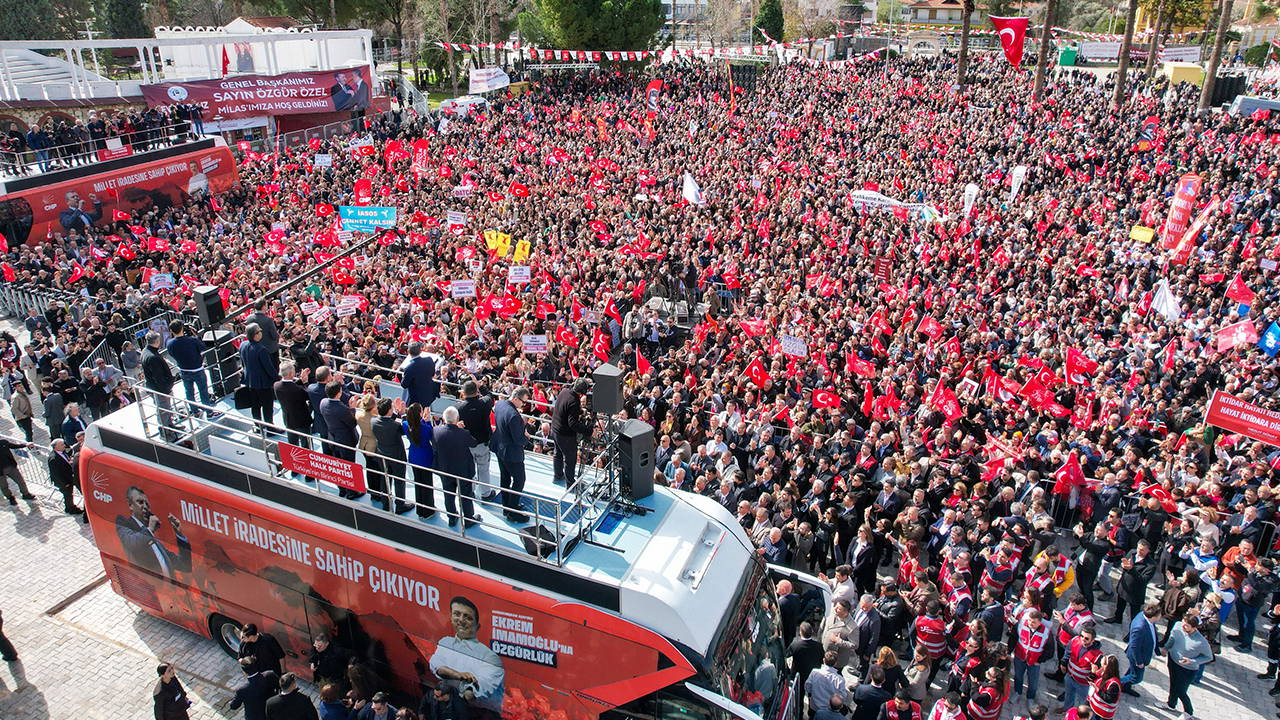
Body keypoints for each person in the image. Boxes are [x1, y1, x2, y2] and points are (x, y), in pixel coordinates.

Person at [428, 596, 504, 713]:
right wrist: (458, 675)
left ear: (477, 626)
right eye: (457, 614)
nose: (461, 620)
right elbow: (436, 665)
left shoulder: (490, 657)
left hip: (477, 713)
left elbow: (481, 688)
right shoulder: (445, 642)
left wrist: (467, 692)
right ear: (451, 618)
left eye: (468, 618)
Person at [114, 484, 192, 578]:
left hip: (169, 589)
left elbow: (185, 566)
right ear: (130, 505)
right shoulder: (124, 523)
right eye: (140, 502)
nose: (145, 506)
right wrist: (150, 529)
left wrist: (179, 534)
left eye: (147, 504)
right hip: (149, 587)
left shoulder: (155, 543)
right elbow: (131, 544)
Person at [432, 406, 479, 527]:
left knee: (448, 494)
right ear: (457, 419)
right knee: (465, 495)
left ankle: (452, 517)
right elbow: (473, 443)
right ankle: (468, 519)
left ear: (443, 418)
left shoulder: (436, 431)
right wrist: (461, 429)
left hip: (445, 469)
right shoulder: (463, 433)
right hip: (463, 470)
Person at [490, 387, 530, 522]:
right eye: (523, 402)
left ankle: (506, 506)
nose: (523, 405)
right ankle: (512, 512)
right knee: (519, 480)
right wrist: (526, 437)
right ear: (515, 399)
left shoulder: (500, 404)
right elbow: (518, 439)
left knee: (505, 478)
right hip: (511, 453)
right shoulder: (514, 416)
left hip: (500, 448)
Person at [1162, 612, 1213, 719]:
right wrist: (1166, 648)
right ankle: (1171, 704)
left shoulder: (1201, 642)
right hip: (1173, 661)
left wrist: (1192, 661)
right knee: (1173, 684)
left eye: (1186, 625)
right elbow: (1172, 638)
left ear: (1194, 627)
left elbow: (1208, 657)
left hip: (1187, 669)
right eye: (1183, 623)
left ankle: (1189, 712)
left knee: (1181, 690)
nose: (1183, 626)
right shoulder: (1177, 625)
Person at [320, 382, 361, 499]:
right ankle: (352, 492)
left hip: (332, 439)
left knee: (339, 466)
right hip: (346, 441)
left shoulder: (323, 403)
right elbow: (352, 423)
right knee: (349, 466)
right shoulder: (342, 409)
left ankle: (342, 489)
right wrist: (352, 409)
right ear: (339, 393)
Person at [454, 380, 494, 502]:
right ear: (476, 392)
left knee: (468, 470)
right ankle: (486, 494)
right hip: (482, 443)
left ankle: (469, 493)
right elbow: (490, 395)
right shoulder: (484, 403)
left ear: (464, 393)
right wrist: (481, 386)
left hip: (466, 445)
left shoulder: (458, 408)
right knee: (483, 468)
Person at [371, 397, 412, 513]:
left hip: (382, 455)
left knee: (385, 479)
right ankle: (400, 505)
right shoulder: (394, 426)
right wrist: (403, 414)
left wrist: (395, 413)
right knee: (399, 481)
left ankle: (386, 503)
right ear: (389, 410)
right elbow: (406, 430)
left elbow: (387, 422)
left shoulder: (373, 422)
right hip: (397, 456)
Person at [549, 378, 593, 486]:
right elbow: (572, 424)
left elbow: (565, 408)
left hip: (555, 429)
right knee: (570, 459)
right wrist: (587, 430)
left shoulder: (564, 391)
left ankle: (558, 476)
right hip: (565, 435)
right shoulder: (574, 401)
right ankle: (570, 484)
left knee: (557, 454)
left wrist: (580, 411)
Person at [240, 323, 280, 424]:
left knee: (255, 406)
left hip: (250, 382)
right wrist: (277, 378)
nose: (261, 333)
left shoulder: (242, 345)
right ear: (255, 335)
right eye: (259, 331)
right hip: (263, 384)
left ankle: (258, 426)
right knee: (267, 406)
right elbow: (269, 368)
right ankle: (270, 427)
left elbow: (243, 363)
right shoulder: (261, 349)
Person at [166, 321, 211, 410]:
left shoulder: (169, 344)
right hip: (197, 370)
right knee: (203, 391)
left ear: (171, 330)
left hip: (184, 371)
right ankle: (209, 412)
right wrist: (197, 336)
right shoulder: (192, 340)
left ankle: (194, 411)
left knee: (189, 392)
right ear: (182, 328)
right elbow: (203, 347)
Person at [141, 331, 178, 440]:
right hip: (160, 389)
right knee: (163, 411)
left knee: (167, 409)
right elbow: (158, 377)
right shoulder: (153, 357)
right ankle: (164, 433)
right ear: (157, 341)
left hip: (154, 387)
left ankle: (170, 426)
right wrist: (166, 389)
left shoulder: (145, 351)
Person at [1119, 602, 1161, 695]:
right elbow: (1134, 646)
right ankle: (1116, 682)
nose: (1160, 616)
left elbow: (1153, 634)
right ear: (1154, 616)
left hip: (1142, 653)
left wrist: (1157, 650)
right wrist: (1139, 661)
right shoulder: (1140, 627)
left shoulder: (1145, 616)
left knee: (1132, 671)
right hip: (1138, 656)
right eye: (1159, 615)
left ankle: (1125, 687)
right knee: (1136, 677)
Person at [275, 362, 314, 459]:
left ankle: (294, 467)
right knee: (306, 446)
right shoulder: (297, 390)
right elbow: (308, 395)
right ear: (291, 374)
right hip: (302, 421)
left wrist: (300, 381)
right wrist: (305, 382)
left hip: (288, 420)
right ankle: (308, 469)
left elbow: (289, 388)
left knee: (292, 445)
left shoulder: (276, 386)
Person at [404, 402, 436, 518]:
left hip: (414, 457)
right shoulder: (426, 428)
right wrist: (427, 421)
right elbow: (430, 434)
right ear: (420, 413)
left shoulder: (405, 425)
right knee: (427, 484)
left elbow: (414, 427)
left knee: (418, 483)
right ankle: (428, 510)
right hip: (426, 458)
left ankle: (420, 509)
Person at [48, 437, 85, 518]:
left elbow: (69, 451)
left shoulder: (63, 451)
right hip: (65, 482)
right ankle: (71, 508)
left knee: (68, 495)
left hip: (70, 478)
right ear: (56, 447)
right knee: (68, 494)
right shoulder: (53, 459)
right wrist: (64, 484)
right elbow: (56, 474)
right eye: (62, 445)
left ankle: (69, 507)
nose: (64, 446)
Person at [805, 650, 846, 718]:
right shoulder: (840, 679)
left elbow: (807, 687)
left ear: (824, 660)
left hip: (814, 706)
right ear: (835, 663)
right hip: (829, 710)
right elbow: (842, 696)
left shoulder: (814, 672)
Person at [401, 342, 439, 408]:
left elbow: (404, 385)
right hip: (428, 396)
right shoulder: (429, 360)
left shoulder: (409, 368)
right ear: (420, 351)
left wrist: (403, 376)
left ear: (408, 351)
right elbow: (432, 374)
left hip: (415, 400)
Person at [0, 434, 35, 505]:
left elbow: (14, 446)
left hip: (11, 467)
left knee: (21, 481)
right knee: (4, 486)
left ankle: (26, 494)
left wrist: (26, 445)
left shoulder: (3, 442)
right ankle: (10, 498)